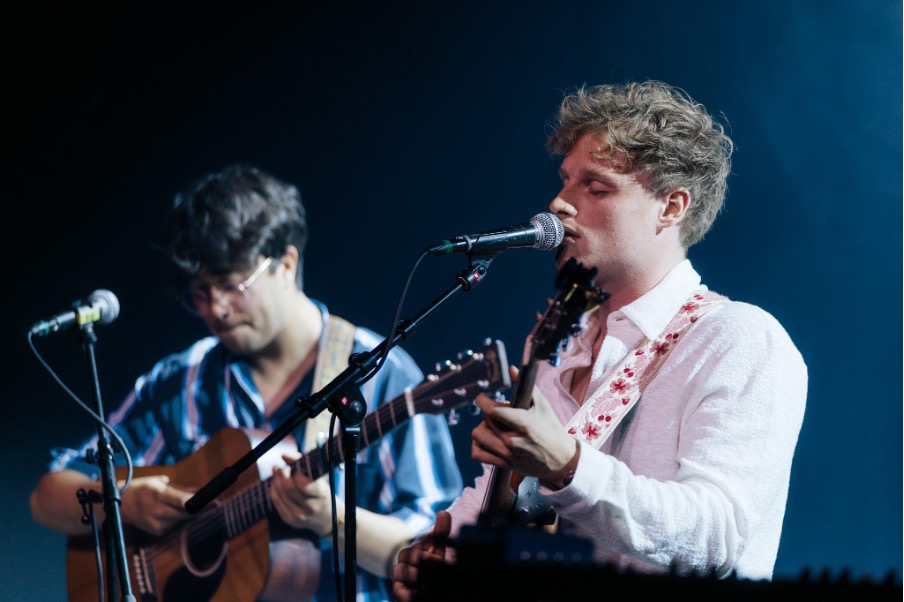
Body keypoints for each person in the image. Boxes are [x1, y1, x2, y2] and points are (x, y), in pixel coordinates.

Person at [391, 80, 808, 599]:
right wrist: (446, 544)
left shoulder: (739, 339)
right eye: (566, 181)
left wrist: (568, 465)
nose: (558, 204)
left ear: (671, 206)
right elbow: (509, 493)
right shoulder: (559, 342)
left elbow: (715, 537)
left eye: (596, 187)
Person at [29, 164, 464, 602]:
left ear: (286, 264)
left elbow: (432, 555)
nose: (215, 310)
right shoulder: (182, 379)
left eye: (231, 286)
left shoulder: (381, 374)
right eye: (199, 293)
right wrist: (124, 504)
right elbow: (47, 496)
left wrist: (331, 520)